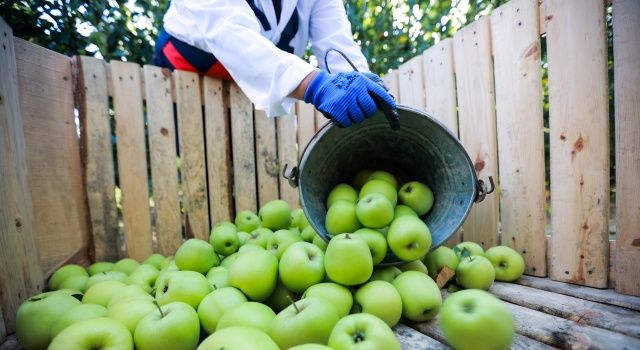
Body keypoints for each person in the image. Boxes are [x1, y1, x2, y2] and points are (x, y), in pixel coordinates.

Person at [154, 0, 396, 127]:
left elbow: (337, 43)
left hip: (268, 81)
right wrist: (316, 84)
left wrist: (361, 82)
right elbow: (229, 33)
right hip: (193, 71)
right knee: (202, 163)